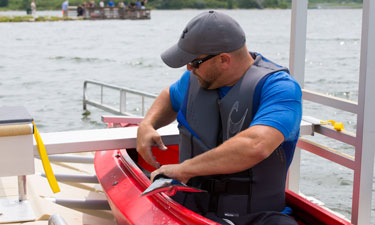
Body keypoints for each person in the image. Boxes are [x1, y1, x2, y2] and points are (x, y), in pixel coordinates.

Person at [136, 11, 302, 225]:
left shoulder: (280, 88)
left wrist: (183, 169)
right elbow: (169, 95)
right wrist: (147, 124)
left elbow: (256, 144)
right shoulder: (194, 79)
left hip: (255, 216)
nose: (188, 68)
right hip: (188, 205)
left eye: (194, 62)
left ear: (223, 59)